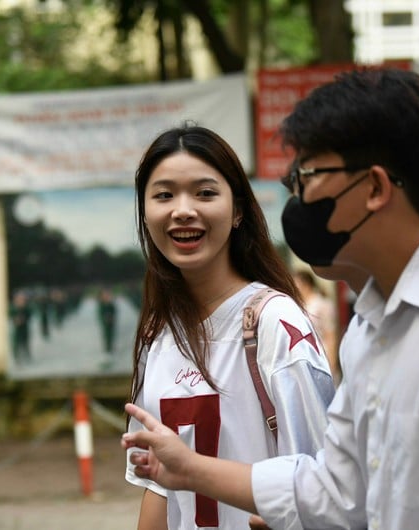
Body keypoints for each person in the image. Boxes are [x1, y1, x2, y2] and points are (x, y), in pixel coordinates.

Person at [121, 69, 419, 530]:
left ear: (373, 188)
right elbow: (337, 494)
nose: (299, 196)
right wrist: (189, 470)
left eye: (309, 175)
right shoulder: (371, 330)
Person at [124, 125, 335, 529]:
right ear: (145, 211)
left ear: (238, 210)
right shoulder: (158, 333)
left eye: (205, 193)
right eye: (164, 195)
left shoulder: (275, 322)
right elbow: (159, 488)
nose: (183, 210)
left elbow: (322, 481)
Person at [292, 269, 339, 381]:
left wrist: (332, 365)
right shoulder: (297, 305)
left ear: (306, 285)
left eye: (296, 284)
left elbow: (330, 335)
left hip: (322, 354)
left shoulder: (322, 304)